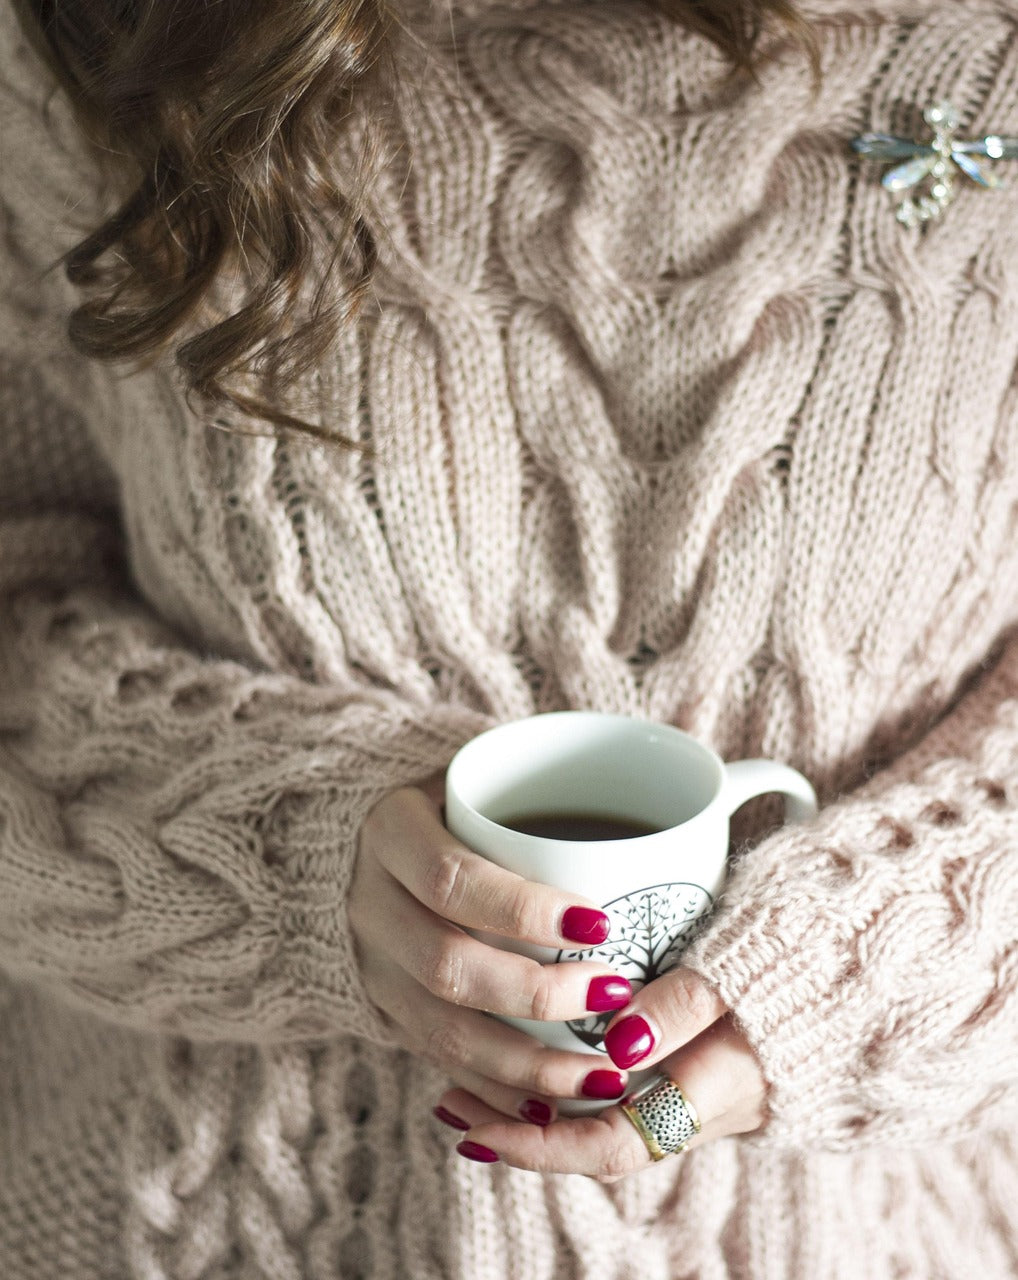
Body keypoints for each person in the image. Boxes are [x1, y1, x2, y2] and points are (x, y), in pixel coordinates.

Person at [2, 0, 1017, 1275]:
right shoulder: (106, 39)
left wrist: (862, 962)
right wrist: (281, 849)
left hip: (875, 1235)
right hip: (190, 1220)